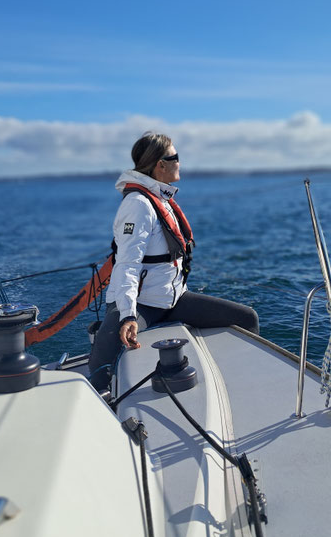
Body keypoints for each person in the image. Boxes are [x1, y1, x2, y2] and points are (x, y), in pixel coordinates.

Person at [88, 132, 259, 393]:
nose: (180, 162)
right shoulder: (138, 205)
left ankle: (242, 383)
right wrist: (128, 315)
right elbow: (127, 264)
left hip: (173, 298)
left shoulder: (161, 199)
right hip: (143, 304)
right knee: (102, 365)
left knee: (246, 318)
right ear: (161, 164)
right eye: (175, 157)